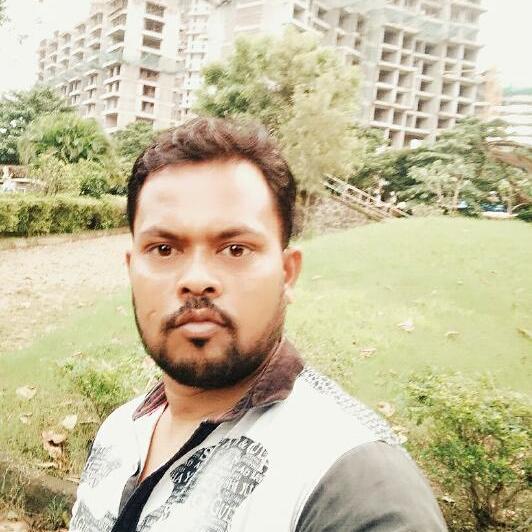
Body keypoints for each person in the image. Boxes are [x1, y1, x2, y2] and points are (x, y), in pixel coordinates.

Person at [70, 118, 446, 532]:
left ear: (287, 274)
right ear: (131, 269)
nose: (196, 279)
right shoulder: (121, 430)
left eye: (235, 249)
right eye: (163, 249)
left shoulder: (351, 485)